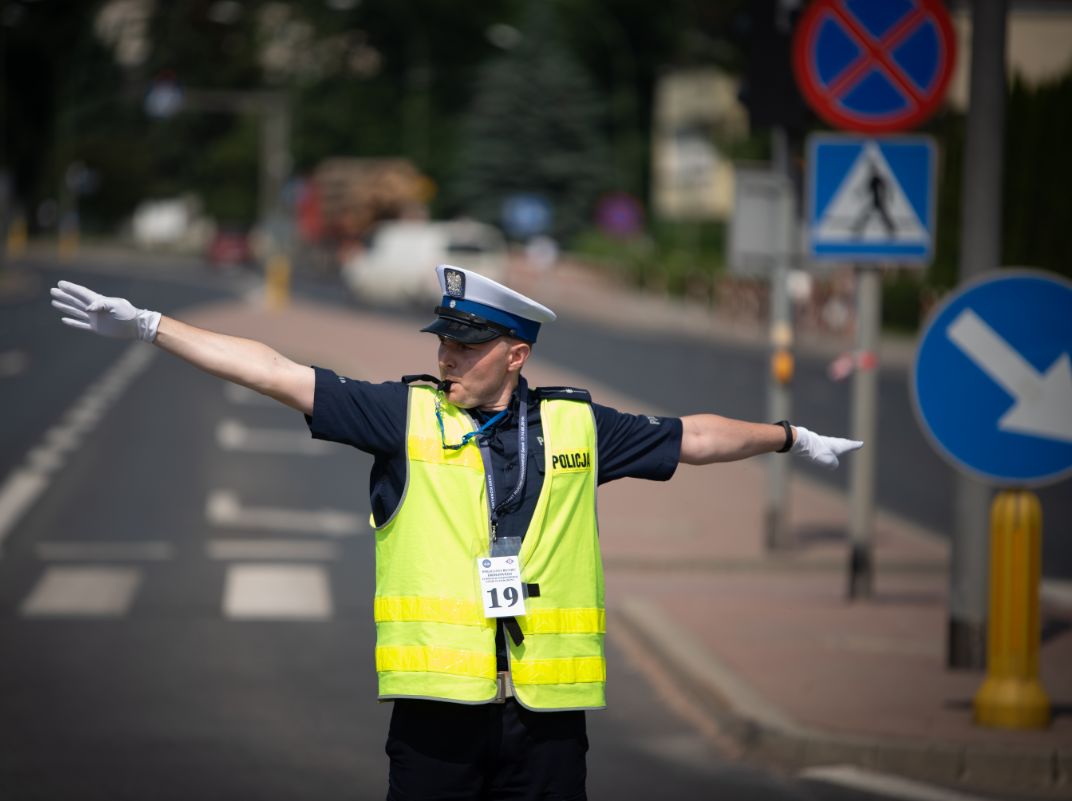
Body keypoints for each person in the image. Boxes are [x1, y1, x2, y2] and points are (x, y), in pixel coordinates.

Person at [49, 265, 861, 801]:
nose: (446, 357)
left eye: (465, 346)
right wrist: (155, 325)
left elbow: (694, 436)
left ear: (515, 354)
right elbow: (274, 370)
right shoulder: (403, 416)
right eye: (442, 341)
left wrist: (789, 436)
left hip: (546, 723)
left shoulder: (577, 425)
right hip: (438, 720)